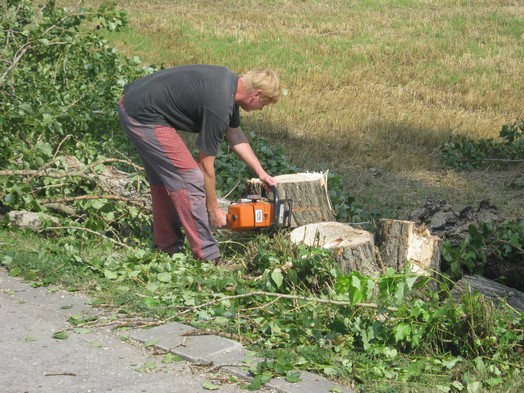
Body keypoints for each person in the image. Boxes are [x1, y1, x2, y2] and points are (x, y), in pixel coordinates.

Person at [118, 64, 280, 262]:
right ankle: (207, 257)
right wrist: (213, 210)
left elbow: (235, 134)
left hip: (134, 104)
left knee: (163, 180)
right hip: (143, 115)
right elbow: (205, 166)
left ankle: (167, 249)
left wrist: (260, 172)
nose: (260, 109)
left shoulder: (228, 85)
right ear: (256, 95)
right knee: (190, 178)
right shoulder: (220, 104)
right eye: (263, 104)